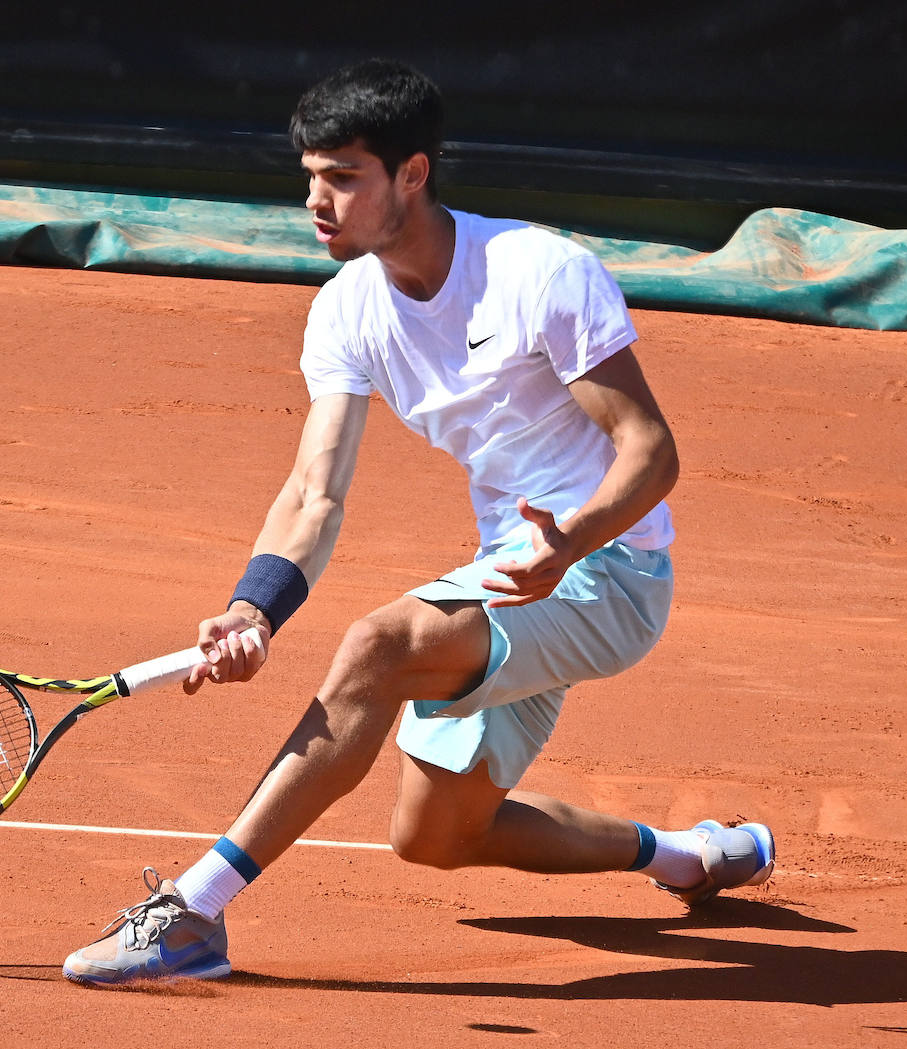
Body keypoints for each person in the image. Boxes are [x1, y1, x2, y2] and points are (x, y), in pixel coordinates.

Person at [63, 58, 774, 986]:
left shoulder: (539, 272)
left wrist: (573, 538)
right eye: (310, 176)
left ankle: (191, 915)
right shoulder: (346, 312)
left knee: (378, 646)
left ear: (413, 173)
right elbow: (314, 493)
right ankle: (688, 855)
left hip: (612, 572)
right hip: (512, 575)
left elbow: (650, 449)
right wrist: (253, 611)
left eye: (344, 177)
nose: (318, 201)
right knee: (437, 835)